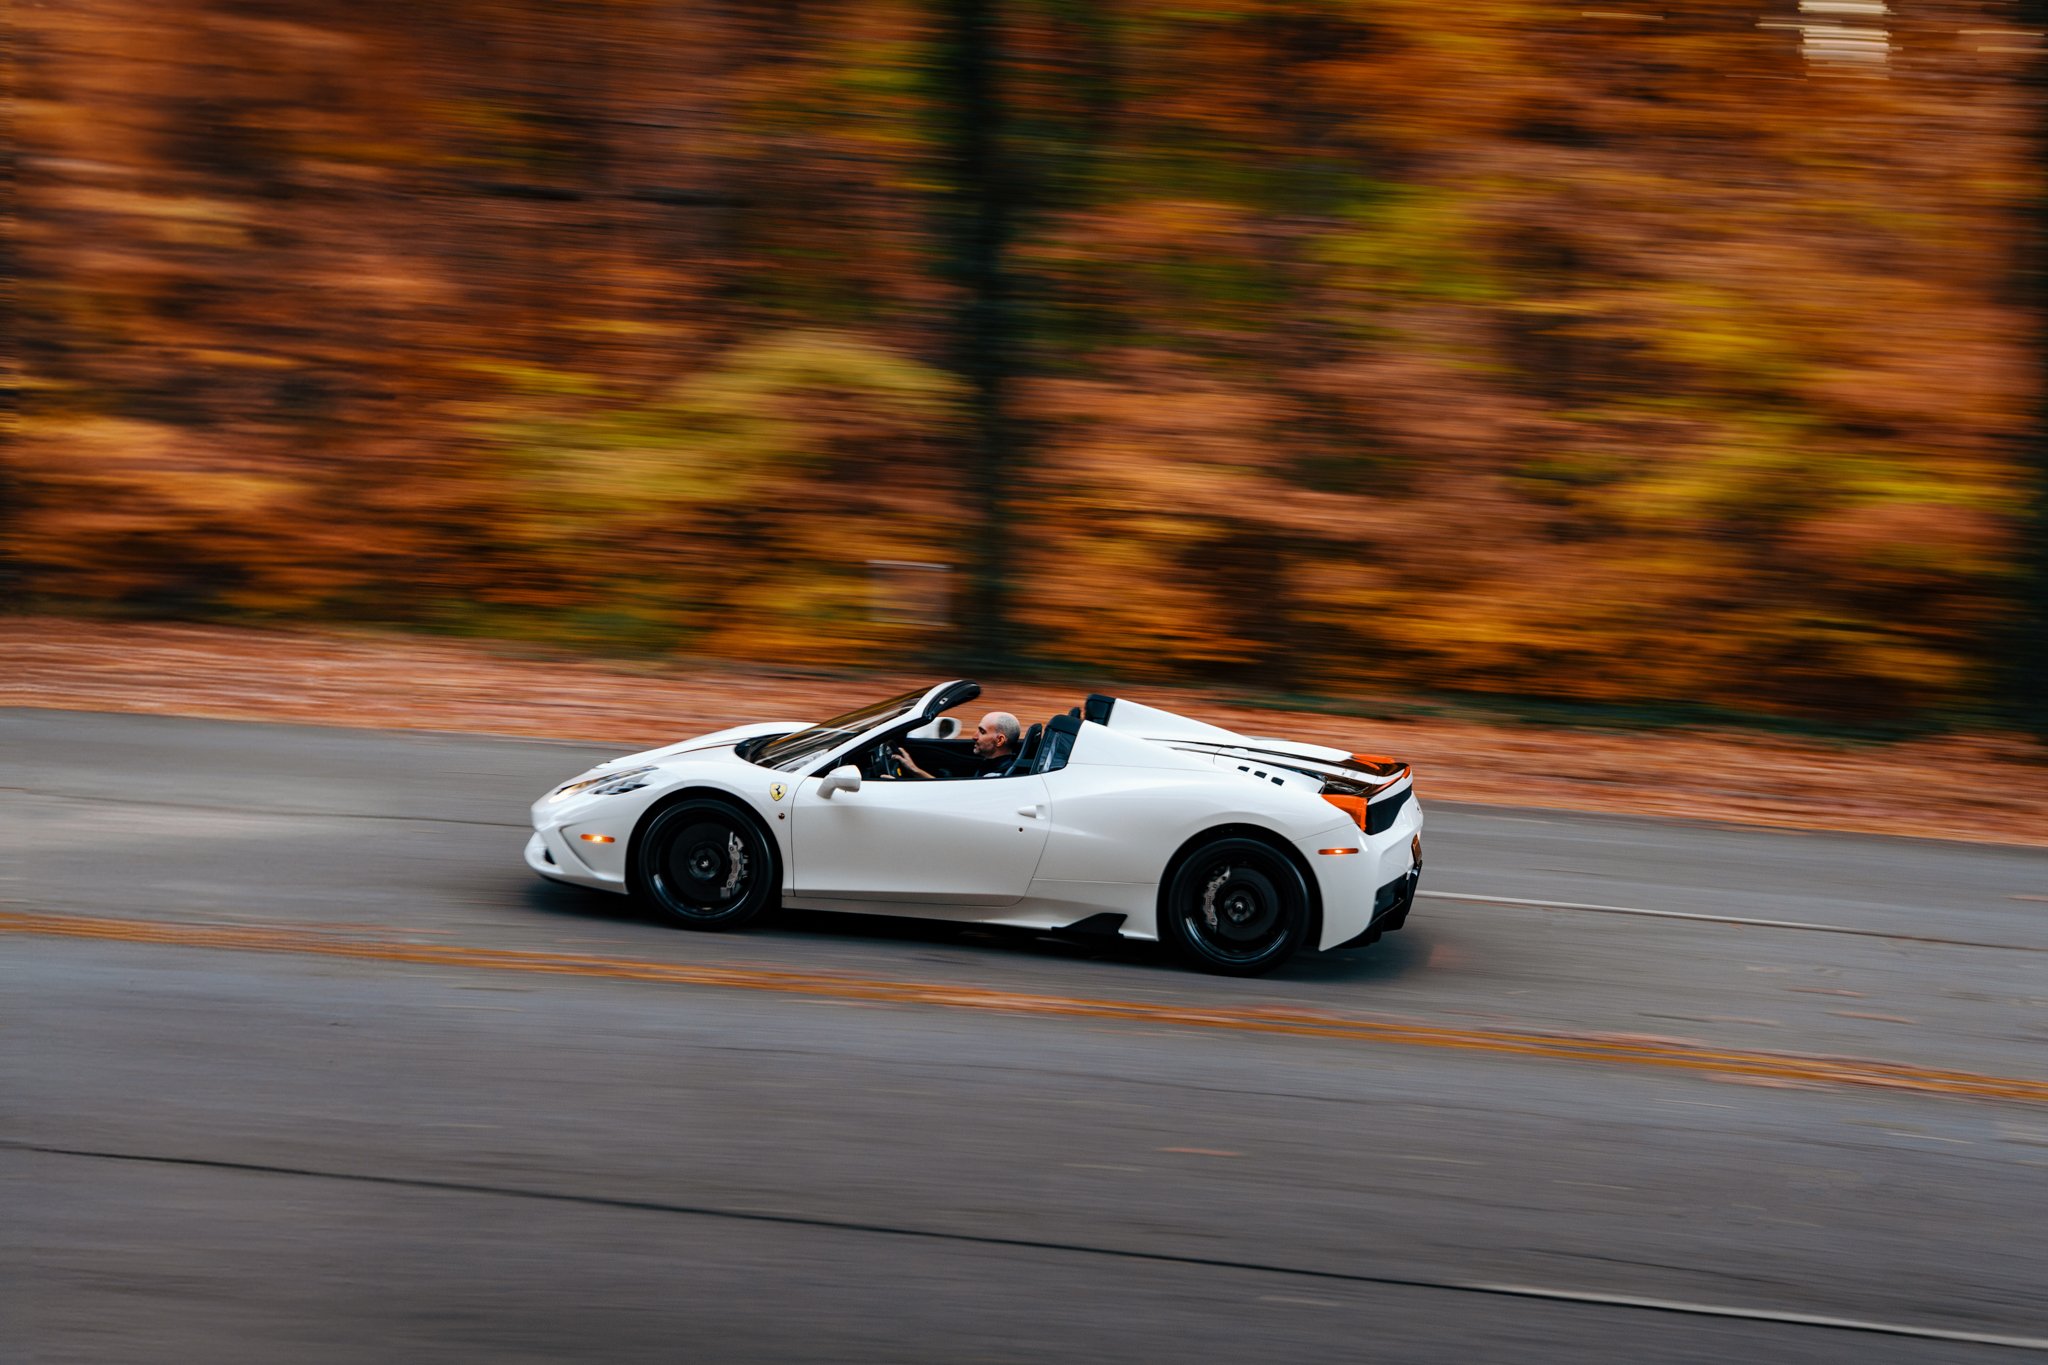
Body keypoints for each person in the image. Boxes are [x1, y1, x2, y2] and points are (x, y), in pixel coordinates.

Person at [894, 711, 1022, 780]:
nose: (974, 736)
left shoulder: (994, 779)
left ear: (999, 740)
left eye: (982, 732)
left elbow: (950, 797)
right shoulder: (995, 765)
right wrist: (915, 771)